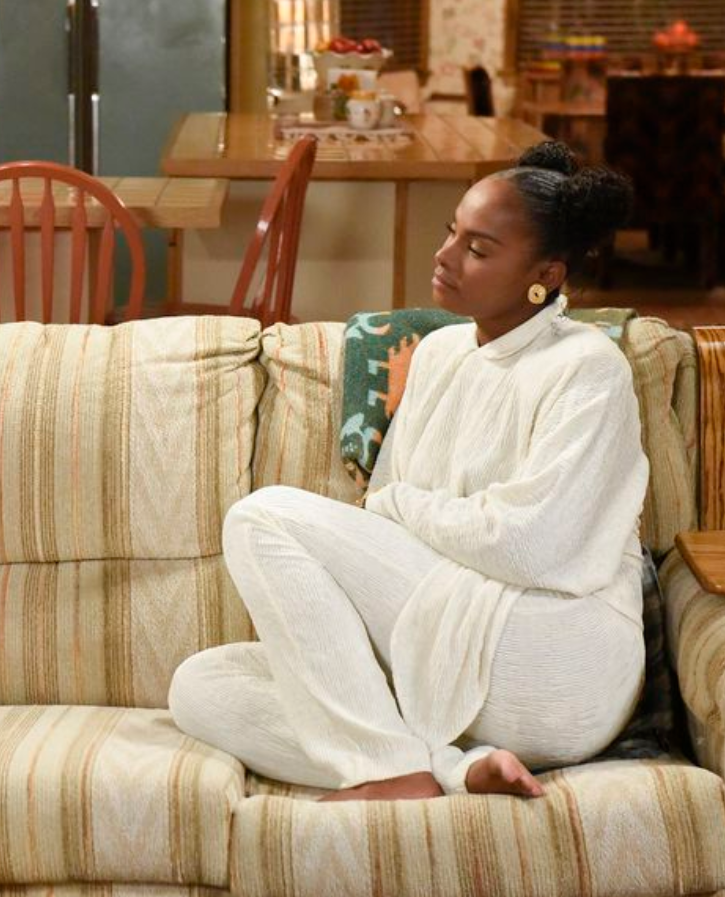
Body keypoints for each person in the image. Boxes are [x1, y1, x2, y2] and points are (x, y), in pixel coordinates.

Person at [167, 142, 645, 801]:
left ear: (545, 274)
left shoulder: (587, 367)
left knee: (261, 516)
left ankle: (388, 768)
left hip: (557, 656)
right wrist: (402, 510)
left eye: (477, 249)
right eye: (451, 232)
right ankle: (449, 768)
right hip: (443, 624)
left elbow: (529, 544)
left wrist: (404, 506)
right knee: (201, 686)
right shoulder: (439, 352)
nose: (444, 256)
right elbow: (388, 512)